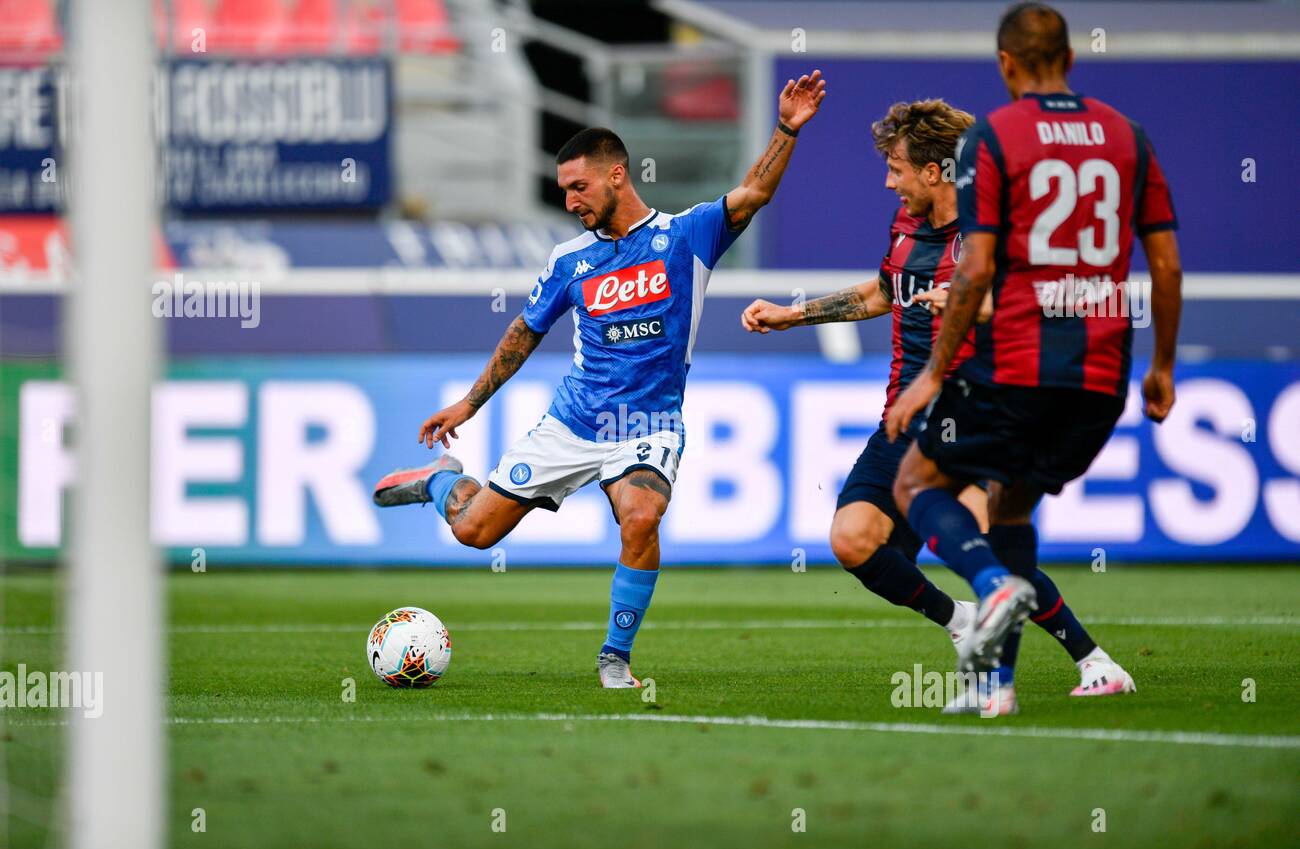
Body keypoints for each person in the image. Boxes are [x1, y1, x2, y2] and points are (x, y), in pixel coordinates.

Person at [373, 72, 828, 688]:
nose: (570, 202)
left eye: (578, 187)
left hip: (648, 423)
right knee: (473, 532)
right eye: (563, 191)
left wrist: (785, 130)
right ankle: (440, 485)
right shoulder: (569, 261)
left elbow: (752, 194)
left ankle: (615, 657)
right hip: (572, 421)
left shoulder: (686, 235)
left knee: (641, 518)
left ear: (618, 175)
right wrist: (469, 404)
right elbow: (524, 331)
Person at [743, 98, 1134, 715]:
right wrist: (796, 314)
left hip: (979, 410)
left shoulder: (997, 235)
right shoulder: (906, 227)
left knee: (985, 539)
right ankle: (963, 620)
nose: (888, 180)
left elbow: (1042, 310)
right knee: (853, 539)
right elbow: (881, 291)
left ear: (936, 172)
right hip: (904, 415)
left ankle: (1090, 660)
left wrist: (975, 305)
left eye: (897, 168)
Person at [885, 3, 1181, 704]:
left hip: (1017, 362)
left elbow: (978, 268)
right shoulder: (1127, 136)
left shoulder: (994, 136)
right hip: (1101, 375)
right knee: (1012, 511)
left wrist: (932, 374)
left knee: (916, 486)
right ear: (1071, 60)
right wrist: (1163, 367)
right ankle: (997, 688)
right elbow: (1164, 267)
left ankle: (990, 586)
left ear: (1006, 64)